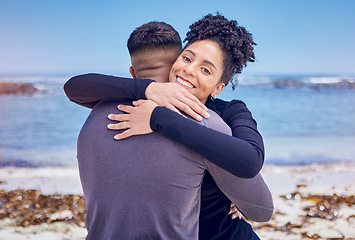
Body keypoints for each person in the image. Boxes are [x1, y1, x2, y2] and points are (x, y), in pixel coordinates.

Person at [65, 18, 272, 240]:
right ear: (175, 60)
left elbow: (251, 162)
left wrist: (158, 118)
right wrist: (149, 89)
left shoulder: (227, 114)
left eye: (205, 69)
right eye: (186, 58)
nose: (189, 70)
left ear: (218, 88)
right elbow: (74, 87)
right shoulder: (141, 99)